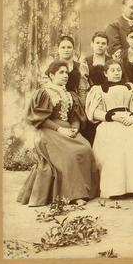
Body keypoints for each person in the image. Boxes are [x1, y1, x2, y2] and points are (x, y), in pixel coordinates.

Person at [17, 61, 98, 207]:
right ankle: (75, 195)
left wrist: (75, 128)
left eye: (66, 72)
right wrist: (60, 129)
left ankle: (87, 190)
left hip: (68, 129)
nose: (65, 75)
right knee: (70, 154)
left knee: (86, 148)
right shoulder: (44, 93)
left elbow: (74, 117)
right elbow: (40, 118)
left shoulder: (70, 95)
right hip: (49, 130)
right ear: (51, 75)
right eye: (61, 72)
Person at [85, 60, 133, 200]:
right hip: (110, 122)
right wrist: (112, 116)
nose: (116, 73)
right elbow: (94, 112)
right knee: (115, 147)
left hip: (129, 121)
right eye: (112, 70)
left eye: (118, 70)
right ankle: (115, 189)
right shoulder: (98, 89)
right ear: (105, 73)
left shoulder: (131, 87)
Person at [40, 35, 88, 104]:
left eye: (69, 47)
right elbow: (45, 85)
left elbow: (82, 91)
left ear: (73, 50)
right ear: (58, 49)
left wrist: (82, 105)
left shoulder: (80, 67)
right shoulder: (51, 66)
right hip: (54, 101)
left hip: (74, 102)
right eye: (63, 47)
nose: (66, 50)